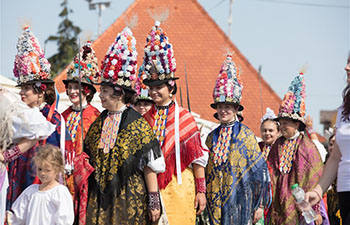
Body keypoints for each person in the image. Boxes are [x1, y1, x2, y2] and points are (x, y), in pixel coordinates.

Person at [84, 25, 165, 224]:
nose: (100, 95)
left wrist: (154, 201)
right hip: (100, 200)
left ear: (119, 93)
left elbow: (149, 166)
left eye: (104, 91)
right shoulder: (98, 124)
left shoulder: (138, 125)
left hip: (130, 199)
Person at [140, 19, 208, 224]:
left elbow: (197, 158)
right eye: (150, 87)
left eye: (158, 87)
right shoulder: (144, 119)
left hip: (180, 187)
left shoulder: (184, 118)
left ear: (170, 88)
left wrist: (201, 191)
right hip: (149, 189)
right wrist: (152, 198)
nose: (153, 92)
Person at [6, 26, 72, 210]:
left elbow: (62, 157)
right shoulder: (17, 115)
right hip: (17, 180)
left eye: (26, 89)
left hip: (41, 185)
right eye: (21, 89)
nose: (22, 93)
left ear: (40, 91)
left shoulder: (54, 119)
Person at [205, 55, 271, 225]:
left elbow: (258, 171)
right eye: (220, 106)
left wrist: (258, 205)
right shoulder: (211, 137)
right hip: (214, 203)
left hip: (240, 204)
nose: (223, 110)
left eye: (227, 106)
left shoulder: (246, 135)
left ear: (235, 109)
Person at [266, 71, 329, 225]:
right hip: (277, 205)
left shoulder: (307, 146)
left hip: (300, 206)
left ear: (297, 124)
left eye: (287, 122)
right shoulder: (277, 145)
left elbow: (314, 177)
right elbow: (269, 172)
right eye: (281, 122)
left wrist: (314, 208)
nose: (283, 125)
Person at [0, 86, 56, 224]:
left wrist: (7, 155)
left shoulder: (5, 100)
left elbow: (39, 129)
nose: (21, 92)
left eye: (26, 88)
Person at [61, 41, 100, 225]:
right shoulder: (63, 116)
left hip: (86, 179)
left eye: (77, 87)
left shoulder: (95, 116)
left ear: (87, 90)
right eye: (70, 87)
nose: (72, 91)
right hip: (62, 176)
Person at [305, 84, 350, 223]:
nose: (346, 67)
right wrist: (318, 191)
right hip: (345, 191)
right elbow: (336, 155)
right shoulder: (344, 110)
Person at [7, 145, 74, 225]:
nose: (42, 173)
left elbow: (64, 219)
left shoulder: (60, 192)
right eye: (40, 169)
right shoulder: (31, 191)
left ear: (57, 169)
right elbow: (18, 216)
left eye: (47, 170)